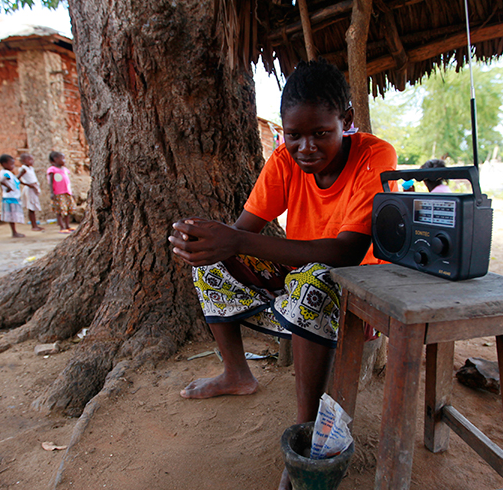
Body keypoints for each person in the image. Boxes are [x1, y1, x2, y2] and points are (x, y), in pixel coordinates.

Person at [168, 58, 397, 490]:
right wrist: (203, 240)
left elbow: (347, 251)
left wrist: (236, 242)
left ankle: (305, 435)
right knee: (213, 263)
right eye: (294, 135)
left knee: (314, 281)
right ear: (282, 130)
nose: (305, 147)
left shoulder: (375, 155)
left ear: (346, 121)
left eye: (320, 134)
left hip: (358, 289)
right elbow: (243, 232)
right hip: (300, 275)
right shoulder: (284, 158)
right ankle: (237, 374)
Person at [0, 154, 25, 238]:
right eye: (11, 164)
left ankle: (14, 231)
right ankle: (14, 232)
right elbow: (2, 181)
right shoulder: (6, 173)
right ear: (4, 164)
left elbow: (16, 181)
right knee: (12, 215)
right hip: (11, 197)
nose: (13, 166)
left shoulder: (9, 173)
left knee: (13, 215)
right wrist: (8, 187)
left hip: (12, 197)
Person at [47, 151, 74, 233]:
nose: (64, 160)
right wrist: (52, 192)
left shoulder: (65, 169)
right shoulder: (52, 169)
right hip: (58, 193)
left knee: (68, 210)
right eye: (62, 158)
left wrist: (71, 192)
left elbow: (67, 181)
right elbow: (51, 182)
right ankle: (62, 227)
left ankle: (67, 225)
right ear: (54, 160)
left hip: (67, 192)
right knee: (60, 211)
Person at [17, 153, 43, 231]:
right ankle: (33, 226)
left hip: (33, 188)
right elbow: (17, 179)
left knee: (33, 207)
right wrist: (28, 185)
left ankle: (35, 224)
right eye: (29, 159)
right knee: (31, 208)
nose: (32, 161)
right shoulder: (23, 169)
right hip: (30, 189)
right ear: (23, 161)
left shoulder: (30, 168)